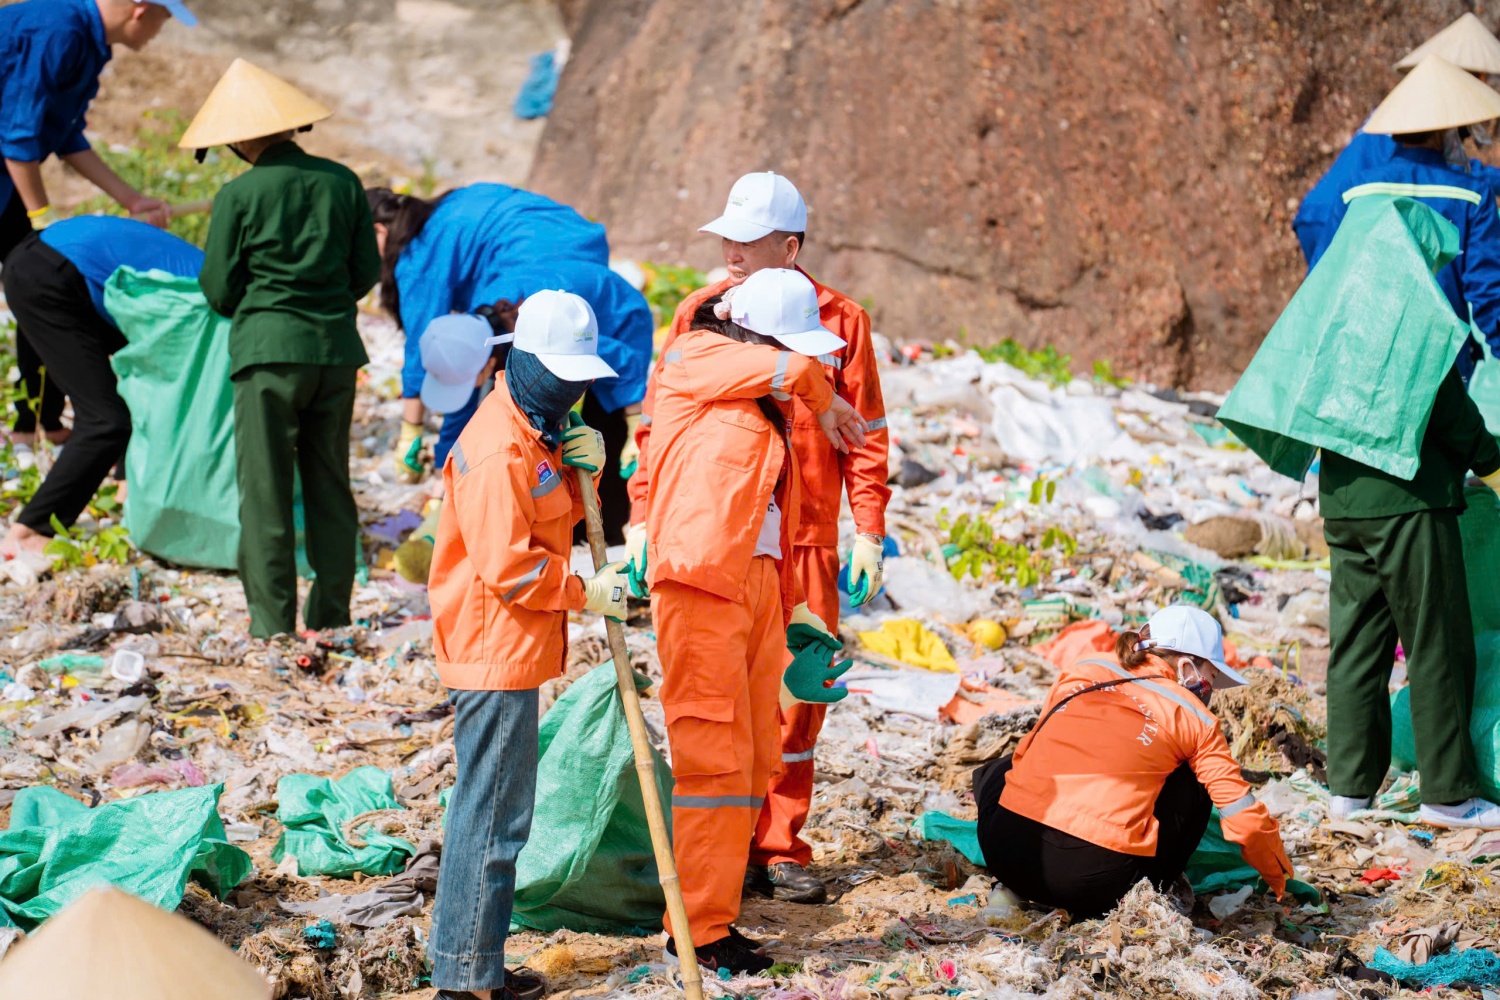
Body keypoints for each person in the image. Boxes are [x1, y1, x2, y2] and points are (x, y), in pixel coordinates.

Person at [627, 171, 890, 903]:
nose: (732, 254)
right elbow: (659, 425)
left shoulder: (843, 320)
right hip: (723, 538)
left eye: (748, 241)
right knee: (727, 700)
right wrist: (643, 516)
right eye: (727, 240)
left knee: (799, 700)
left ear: (791, 246)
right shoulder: (702, 314)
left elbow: (865, 432)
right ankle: (725, 849)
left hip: (806, 535)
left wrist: (868, 528)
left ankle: (780, 844)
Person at [646, 267, 866, 972]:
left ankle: (717, 912)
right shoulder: (698, 357)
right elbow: (796, 370)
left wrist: (794, 613)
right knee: (712, 762)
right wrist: (827, 402)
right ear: (755, 333)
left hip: (754, 583)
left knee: (753, 757)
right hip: (702, 584)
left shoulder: (759, 396)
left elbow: (767, 515)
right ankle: (694, 931)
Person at [425, 290, 630, 1000]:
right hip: (491, 647)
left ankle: (471, 964)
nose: (573, 391)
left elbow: (549, 520)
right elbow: (510, 568)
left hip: (512, 645)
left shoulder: (537, 428)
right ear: (528, 363)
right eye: (562, 376)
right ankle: (466, 979)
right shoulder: (497, 446)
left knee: (495, 813)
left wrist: (584, 471)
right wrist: (585, 592)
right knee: (493, 817)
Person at [184, 59, 381, 638]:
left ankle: (273, 625)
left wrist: (268, 306)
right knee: (329, 483)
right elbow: (365, 272)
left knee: (266, 492)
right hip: (335, 355)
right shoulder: (343, 182)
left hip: (267, 357)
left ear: (240, 138)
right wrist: (324, 304)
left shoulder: (238, 195)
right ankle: (332, 616)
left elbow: (219, 290)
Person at [975, 606, 1294, 918]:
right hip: (1090, 884)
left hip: (1003, 853)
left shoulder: (1085, 667)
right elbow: (1244, 820)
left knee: (1008, 765)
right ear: (1186, 667)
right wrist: (1279, 877)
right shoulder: (1194, 716)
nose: (1209, 692)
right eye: (1210, 679)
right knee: (1196, 780)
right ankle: (1157, 889)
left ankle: (1009, 889)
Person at [0, 0, 193, 446]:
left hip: (7, 184)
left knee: (39, 287)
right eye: (163, 20)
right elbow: (18, 138)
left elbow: (66, 135)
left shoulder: (91, 44)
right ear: (140, 10)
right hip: (8, 175)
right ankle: (33, 425)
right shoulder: (59, 30)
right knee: (40, 272)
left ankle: (37, 421)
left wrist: (132, 198)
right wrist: (42, 221)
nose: (159, 33)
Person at [364, 185, 613, 483]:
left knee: (478, 363)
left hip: (532, 275)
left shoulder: (418, 254)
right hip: (585, 250)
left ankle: (490, 477)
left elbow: (425, 348)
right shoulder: (450, 205)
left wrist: (411, 430)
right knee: (561, 368)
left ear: (379, 231)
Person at [0, 216, 203, 556]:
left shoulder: (212, 283)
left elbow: (142, 372)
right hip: (52, 273)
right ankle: (30, 530)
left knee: (113, 381)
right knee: (106, 421)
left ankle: (58, 437)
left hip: (46, 259)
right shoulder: (214, 308)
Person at [412, 259, 653, 544]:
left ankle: (611, 532)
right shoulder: (472, 330)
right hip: (563, 311)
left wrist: (636, 425)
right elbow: (460, 416)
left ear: (488, 365)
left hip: (619, 318)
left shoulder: (549, 325)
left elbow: (622, 361)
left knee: (604, 435)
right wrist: (440, 495)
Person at [1294, 47, 1500, 379]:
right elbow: (1489, 294)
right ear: (1446, 129)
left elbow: (1322, 284)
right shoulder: (1472, 196)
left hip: (1367, 368)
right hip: (1443, 368)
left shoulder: (1356, 189)